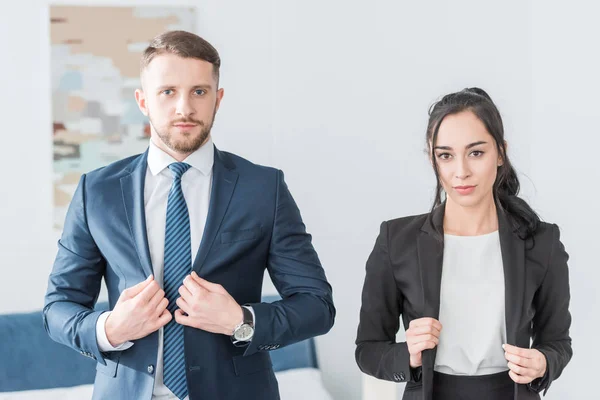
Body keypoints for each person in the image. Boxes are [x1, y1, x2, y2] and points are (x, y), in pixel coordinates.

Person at [44, 30, 335, 400]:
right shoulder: (96, 191)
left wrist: (242, 322)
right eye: (168, 92)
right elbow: (58, 307)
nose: (184, 107)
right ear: (143, 101)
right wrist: (110, 329)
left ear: (218, 99)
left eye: (199, 91)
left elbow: (317, 304)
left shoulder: (264, 188)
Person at [355, 88, 572, 400]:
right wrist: (410, 355)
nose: (461, 172)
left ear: (500, 153)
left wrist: (542, 363)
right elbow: (368, 350)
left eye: (476, 153)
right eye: (446, 155)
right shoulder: (396, 240)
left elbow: (558, 343)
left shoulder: (542, 242)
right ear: (433, 159)